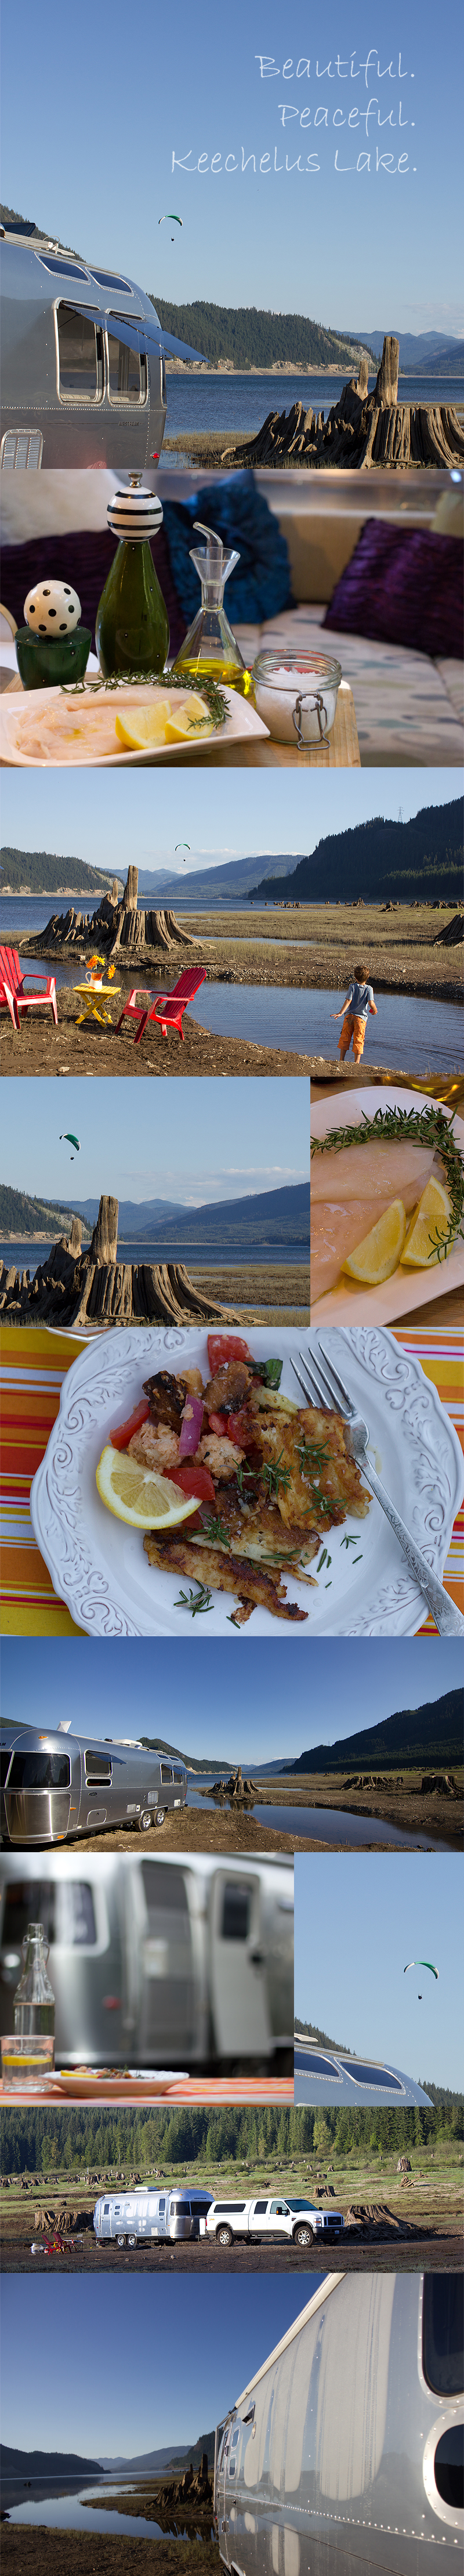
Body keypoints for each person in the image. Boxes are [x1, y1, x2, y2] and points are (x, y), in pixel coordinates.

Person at [330, 964, 378, 1062]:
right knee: (359, 1040)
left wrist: (340, 1013)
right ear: (368, 977)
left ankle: (341, 1060)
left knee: (345, 1038)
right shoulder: (369, 989)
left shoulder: (352, 986)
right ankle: (356, 1063)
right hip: (361, 1019)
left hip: (349, 1017)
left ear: (355, 978)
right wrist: (375, 1010)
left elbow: (348, 1000)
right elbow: (371, 1003)